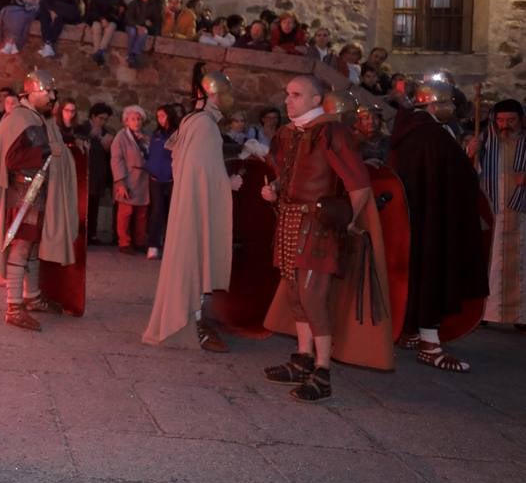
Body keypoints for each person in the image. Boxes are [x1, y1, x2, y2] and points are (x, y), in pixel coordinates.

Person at [259, 75, 372, 402]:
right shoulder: (287, 133)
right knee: (295, 295)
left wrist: (346, 222)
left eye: (296, 95)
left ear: (315, 100)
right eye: (287, 93)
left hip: (318, 225)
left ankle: (323, 371)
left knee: (313, 297)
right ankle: (303, 358)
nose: (288, 100)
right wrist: (274, 189)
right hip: (289, 221)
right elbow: (288, 175)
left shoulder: (331, 132)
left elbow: (359, 186)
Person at [389, 79, 490, 372]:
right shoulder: (431, 135)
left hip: (416, 217)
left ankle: (412, 332)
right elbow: (457, 177)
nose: (452, 109)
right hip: (431, 218)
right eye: (448, 104)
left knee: (418, 273)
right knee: (432, 274)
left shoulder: (412, 130)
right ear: (433, 104)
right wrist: (468, 160)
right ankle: (429, 344)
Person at [143, 71, 242, 351]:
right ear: (213, 95)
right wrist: (229, 183)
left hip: (192, 201)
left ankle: (196, 319)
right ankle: (192, 323)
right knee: (195, 256)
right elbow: (201, 170)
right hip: (195, 204)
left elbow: (192, 163)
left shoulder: (195, 121)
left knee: (197, 256)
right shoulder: (204, 126)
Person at [0, 69, 81, 330]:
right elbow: (14, 159)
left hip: (34, 192)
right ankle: (14, 306)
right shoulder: (21, 118)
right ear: (32, 92)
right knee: (22, 246)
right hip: (23, 193)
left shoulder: (34, 117)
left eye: (52, 91)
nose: (51, 96)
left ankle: (32, 297)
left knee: (34, 245)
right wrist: (49, 150)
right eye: (47, 91)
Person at [467, 99, 525, 328]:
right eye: (501, 120)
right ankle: (488, 313)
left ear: (521, 121)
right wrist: (471, 153)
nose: (505, 125)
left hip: (522, 215)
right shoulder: (485, 142)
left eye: (511, 120)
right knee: (492, 264)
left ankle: (522, 316)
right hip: (495, 213)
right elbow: (470, 173)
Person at [110, 105, 151, 255]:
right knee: (125, 212)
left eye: (139, 119)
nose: (137, 122)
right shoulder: (121, 137)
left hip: (143, 179)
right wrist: (120, 182)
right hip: (128, 178)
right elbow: (116, 159)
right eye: (133, 119)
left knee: (142, 212)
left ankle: (139, 241)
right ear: (126, 121)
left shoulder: (146, 137)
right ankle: (124, 242)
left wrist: (147, 142)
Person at [146, 104, 179, 260]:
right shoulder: (156, 133)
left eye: (163, 116)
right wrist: (151, 169)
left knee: (173, 213)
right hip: (156, 178)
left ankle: (172, 246)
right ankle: (153, 245)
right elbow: (153, 153)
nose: (160, 119)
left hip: (172, 178)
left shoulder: (177, 133)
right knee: (156, 211)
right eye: (158, 116)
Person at [78, 102, 114, 245]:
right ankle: (81, 233)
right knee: (82, 205)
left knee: (94, 205)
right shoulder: (83, 128)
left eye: (105, 119)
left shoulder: (105, 131)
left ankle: (91, 234)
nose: (103, 122)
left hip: (98, 174)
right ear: (93, 116)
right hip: (84, 173)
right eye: (100, 118)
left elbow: (108, 149)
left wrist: (100, 137)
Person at [85, 0, 125, 66]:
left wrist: (109, 19)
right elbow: (92, 12)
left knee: (111, 27)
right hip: (98, 20)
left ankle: (101, 50)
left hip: (112, 21)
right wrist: (101, 19)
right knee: (96, 26)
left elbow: (119, 13)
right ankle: (98, 52)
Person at [123, 0, 159, 68]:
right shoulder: (133, 4)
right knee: (132, 33)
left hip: (145, 27)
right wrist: (137, 26)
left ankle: (133, 54)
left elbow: (156, 19)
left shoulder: (154, 5)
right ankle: (131, 56)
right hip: (132, 25)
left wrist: (150, 23)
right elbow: (128, 18)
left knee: (143, 32)